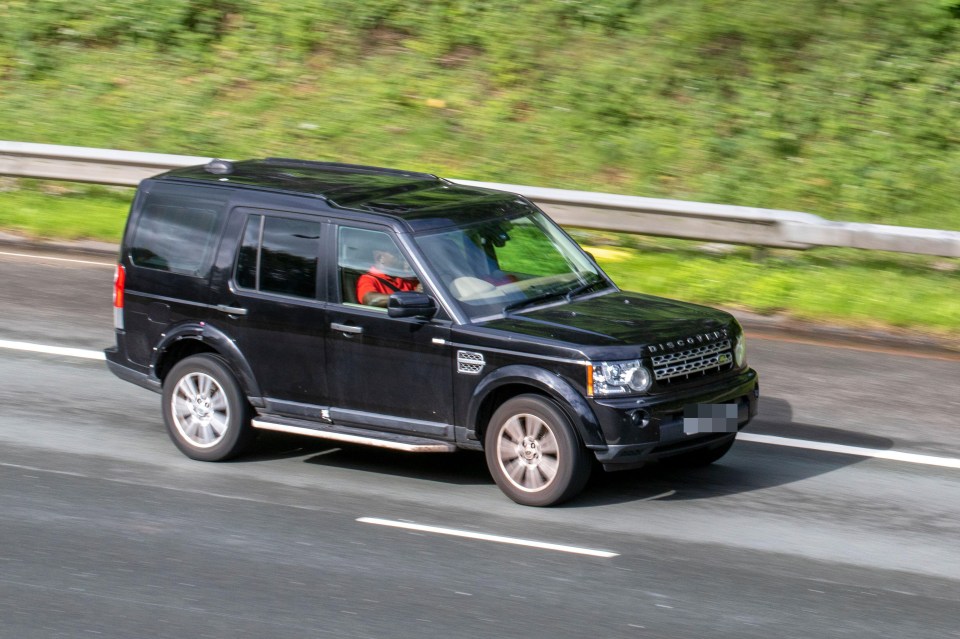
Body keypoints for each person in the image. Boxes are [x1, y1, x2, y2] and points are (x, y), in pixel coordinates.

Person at [356, 242, 421, 307]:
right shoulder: (368, 279)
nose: (401, 257)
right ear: (381, 258)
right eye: (396, 253)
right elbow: (371, 300)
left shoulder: (405, 277)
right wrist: (410, 297)